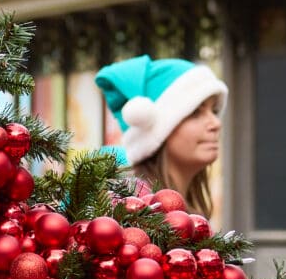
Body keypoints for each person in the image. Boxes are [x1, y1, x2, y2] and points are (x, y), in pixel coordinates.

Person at [95, 56, 228, 218]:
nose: (216, 123)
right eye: (195, 112)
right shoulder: (132, 209)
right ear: (157, 129)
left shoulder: (187, 216)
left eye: (214, 110)